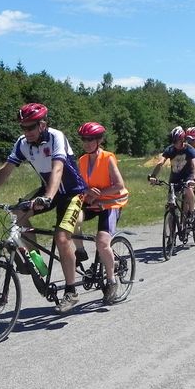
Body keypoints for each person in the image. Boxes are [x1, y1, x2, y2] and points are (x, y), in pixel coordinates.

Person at [0, 103, 87, 313]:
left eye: (31, 127)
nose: (26, 132)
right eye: (23, 127)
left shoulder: (56, 137)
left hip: (72, 192)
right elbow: (6, 170)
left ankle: (71, 291)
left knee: (61, 238)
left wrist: (48, 197)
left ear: (42, 124)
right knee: (17, 215)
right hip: (47, 191)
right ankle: (37, 263)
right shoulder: (22, 143)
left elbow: (58, 168)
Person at [72, 122, 129, 303]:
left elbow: (119, 186)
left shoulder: (107, 158)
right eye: (84, 139)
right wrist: (87, 193)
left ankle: (111, 281)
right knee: (71, 219)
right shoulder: (82, 160)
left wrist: (100, 195)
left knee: (102, 242)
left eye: (91, 139)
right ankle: (80, 252)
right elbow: (82, 186)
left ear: (99, 140)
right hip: (92, 202)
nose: (87, 143)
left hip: (111, 203)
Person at [148, 126, 195, 220]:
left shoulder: (189, 149)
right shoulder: (170, 149)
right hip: (175, 178)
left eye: (177, 141)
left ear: (182, 139)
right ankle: (171, 233)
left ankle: (191, 211)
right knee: (171, 205)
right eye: (174, 141)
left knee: (189, 189)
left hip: (188, 176)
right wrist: (153, 176)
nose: (175, 143)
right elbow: (160, 163)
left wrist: (194, 179)